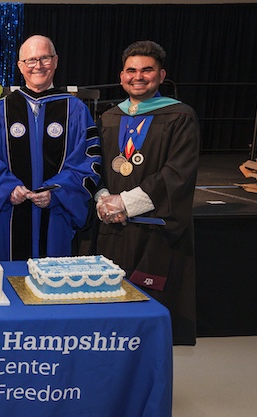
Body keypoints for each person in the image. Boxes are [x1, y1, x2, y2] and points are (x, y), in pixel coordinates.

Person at [93, 40, 199, 346]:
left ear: (161, 75)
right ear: (122, 75)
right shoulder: (110, 117)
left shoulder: (180, 117)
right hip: (111, 230)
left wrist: (124, 203)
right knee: (106, 316)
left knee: (147, 321)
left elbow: (176, 175)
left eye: (147, 70)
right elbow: (94, 164)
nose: (138, 76)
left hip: (154, 233)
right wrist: (102, 199)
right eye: (131, 70)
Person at [0, 35, 101, 261]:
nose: (38, 66)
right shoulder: (2, 110)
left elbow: (87, 162)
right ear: (20, 66)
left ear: (55, 61)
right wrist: (9, 189)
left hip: (56, 217)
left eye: (44, 58)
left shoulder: (75, 109)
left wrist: (56, 192)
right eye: (31, 60)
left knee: (52, 287)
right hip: (10, 216)